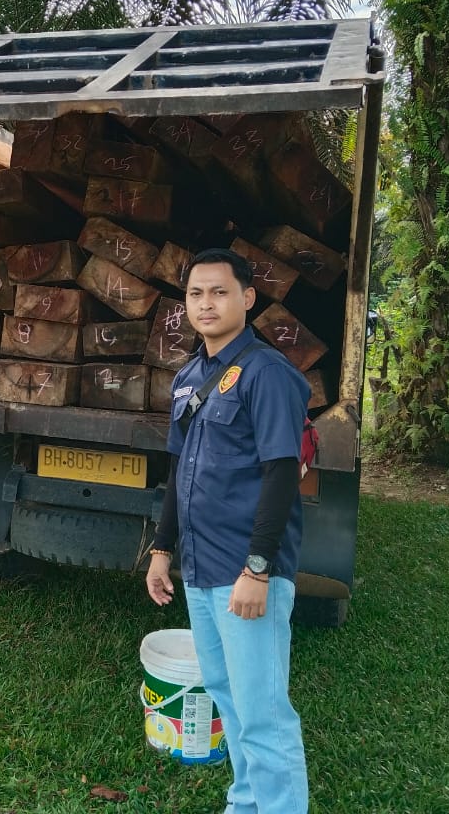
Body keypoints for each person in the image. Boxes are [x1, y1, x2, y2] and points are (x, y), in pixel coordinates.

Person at [146, 247, 310, 814]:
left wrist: (258, 569)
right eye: (196, 293)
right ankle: (245, 805)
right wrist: (162, 549)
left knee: (263, 712)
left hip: (247, 574)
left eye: (219, 292)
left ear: (247, 298)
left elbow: (282, 474)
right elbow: (180, 470)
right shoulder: (191, 376)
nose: (206, 303)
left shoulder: (268, 374)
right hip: (201, 569)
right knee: (229, 699)